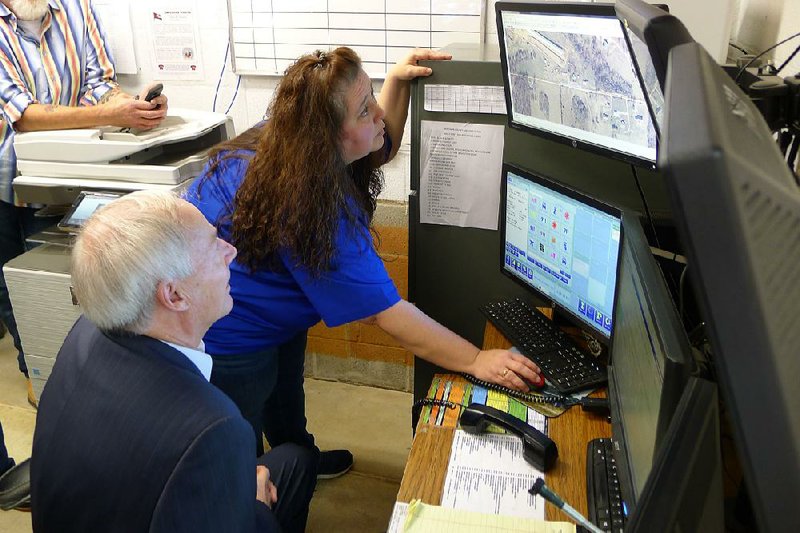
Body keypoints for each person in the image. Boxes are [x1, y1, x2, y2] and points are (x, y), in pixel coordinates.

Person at [185, 47, 545, 477]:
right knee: (239, 435)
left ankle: (299, 459)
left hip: (275, 309)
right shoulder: (309, 204)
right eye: (364, 111)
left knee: (284, 392)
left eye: (372, 99)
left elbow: (379, 141)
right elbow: (388, 314)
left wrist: (396, 81)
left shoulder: (296, 138)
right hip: (228, 331)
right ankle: (252, 493)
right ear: (327, 137)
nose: (378, 116)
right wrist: (475, 360)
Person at [30, 191, 316, 532]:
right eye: (214, 246)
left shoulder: (87, 331)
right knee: (296, 464)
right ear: (175, 295)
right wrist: (256, 507)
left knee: (295, 461)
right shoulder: (213, 430)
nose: (231, 251)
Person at [0, 0, 169, 406]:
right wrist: (109, 114)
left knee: (77, 279)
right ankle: (36, 368)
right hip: (7, 178)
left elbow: (99, 82)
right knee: (14, 283)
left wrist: (134, 106)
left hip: (66, 173)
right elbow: (22, 114)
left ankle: (92, 375)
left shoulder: (75, 7)